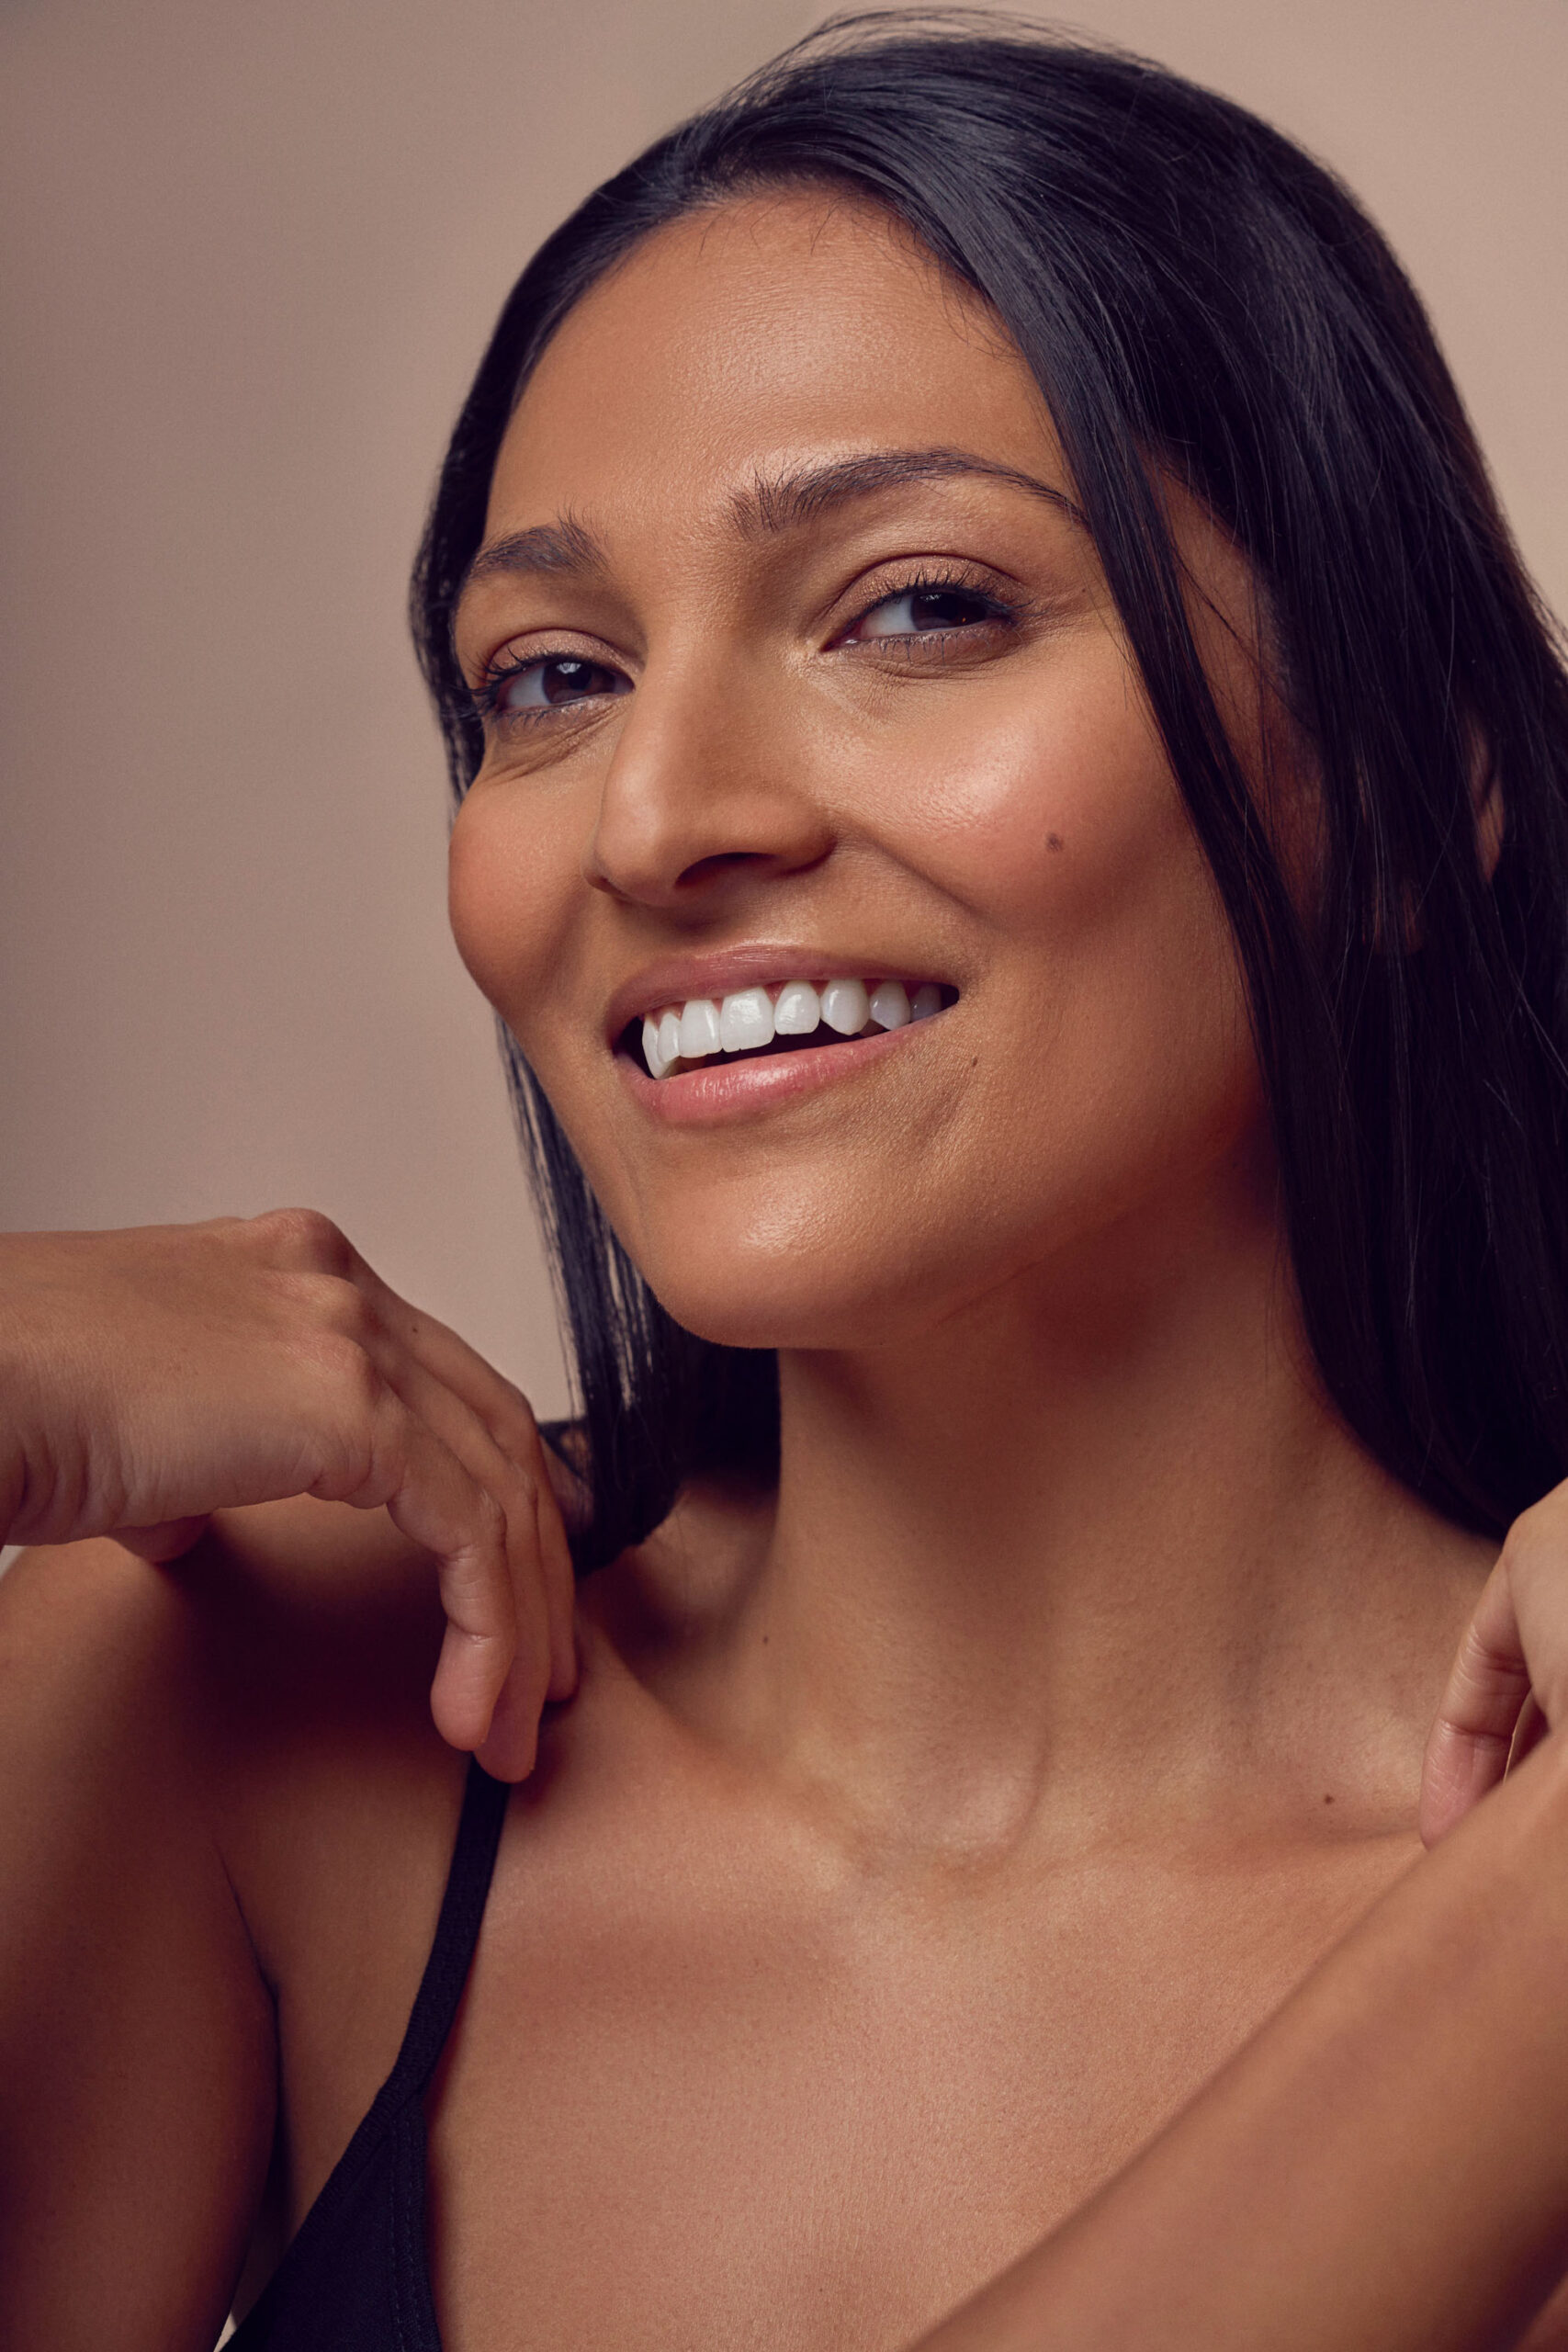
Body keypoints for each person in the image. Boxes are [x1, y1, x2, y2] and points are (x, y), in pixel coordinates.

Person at [5, 12, 1568, 2347]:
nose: (652, 820)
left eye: (914, 607)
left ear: (1408, 795)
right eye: (552, 677)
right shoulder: (230, 1696)